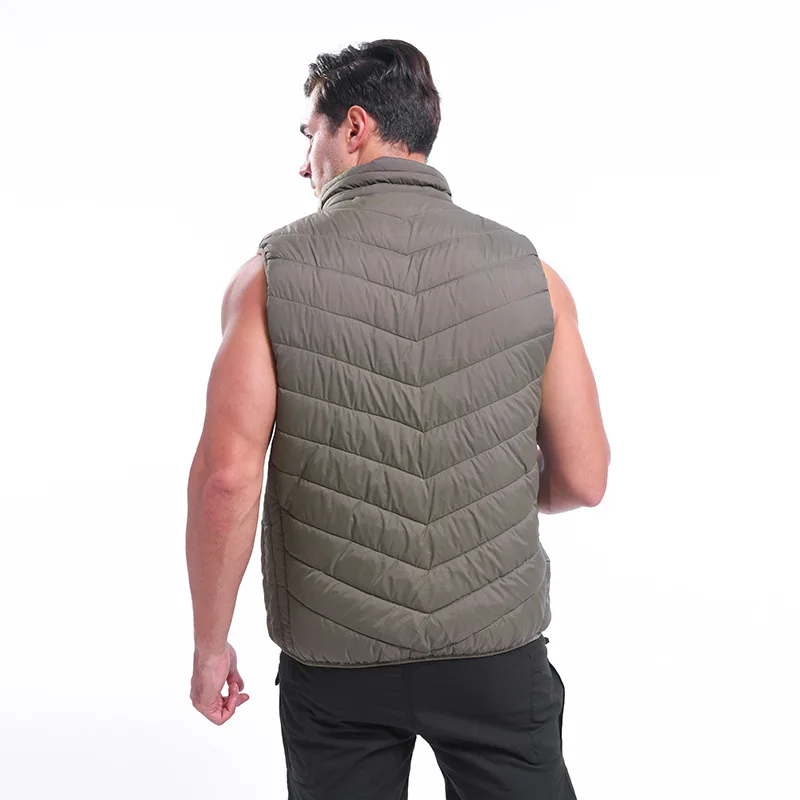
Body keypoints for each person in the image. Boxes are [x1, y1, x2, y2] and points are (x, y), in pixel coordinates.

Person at [185, 37, 610, 800]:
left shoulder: (268, 279)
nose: (304, 163)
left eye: (308, 135)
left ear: (354, 127)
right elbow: (583, 479)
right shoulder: (532, 274)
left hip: (335, 659)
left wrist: (211, 646)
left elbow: (227, 481)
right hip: (494, 652)